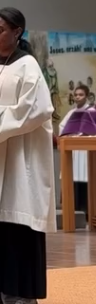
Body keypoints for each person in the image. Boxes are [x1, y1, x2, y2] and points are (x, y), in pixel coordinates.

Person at [0, 7, 56, 304]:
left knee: (16, 218)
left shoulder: (28, 66)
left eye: (0, 31)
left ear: (17, 32)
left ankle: (22, 294)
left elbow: (36, 110)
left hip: (19, 157)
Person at [58, 83, 94, 216]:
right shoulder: (71, 113)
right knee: (72, 182)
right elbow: (62, 128)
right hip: (72, 153)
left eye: (81, 95)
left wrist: (82, 135)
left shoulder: (91, 112)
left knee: (86, 182)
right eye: (76, 95)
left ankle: (88, 212)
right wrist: (68, 135)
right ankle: (74, 213)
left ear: (87, 96)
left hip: (86, 154)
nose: (78, 97)